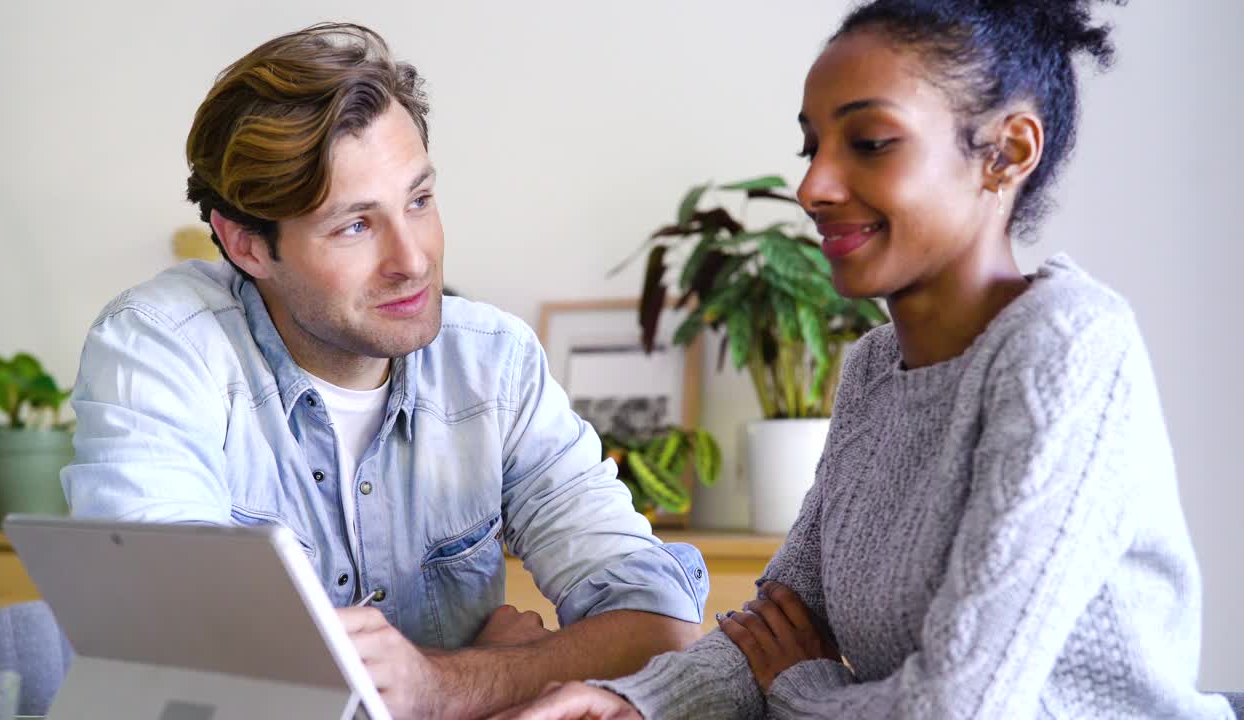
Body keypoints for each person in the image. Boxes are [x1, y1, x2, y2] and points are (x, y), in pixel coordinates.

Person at [495, 1, 1234, 718]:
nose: (813, 185)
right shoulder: (876, 368)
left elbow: (957, 708)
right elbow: (778, 621)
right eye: (810, 146)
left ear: (1007, 153)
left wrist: (803, 685)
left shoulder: (1067, 346)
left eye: (870, 142)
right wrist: (632, 703)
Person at [60, 23, 707, 719]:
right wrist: (500, 670)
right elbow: (183, 664)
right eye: (356, 226)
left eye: (419, 200)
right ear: (246, 245)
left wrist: (451, 681)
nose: (415, 258)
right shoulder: (161, 348)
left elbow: (660, 625)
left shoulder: (494, 367)